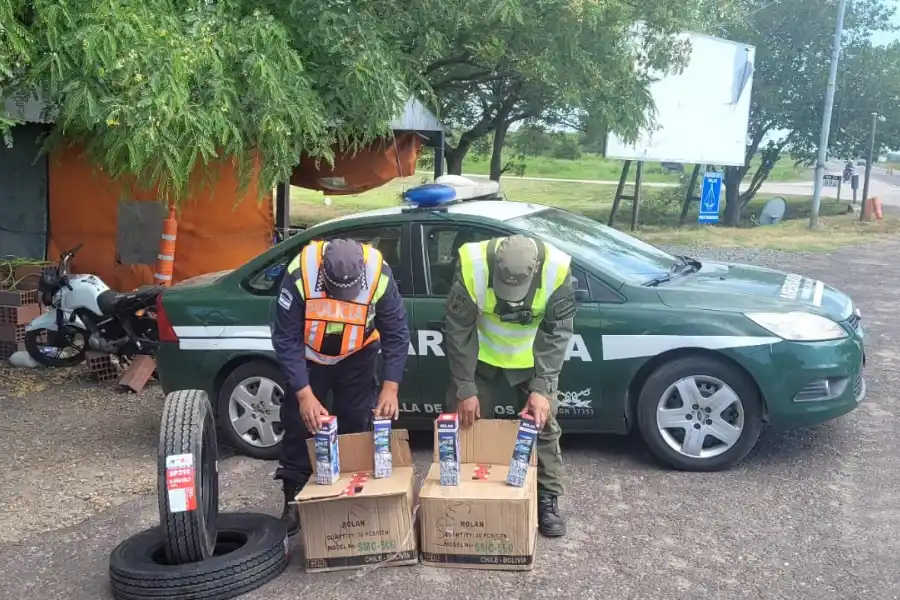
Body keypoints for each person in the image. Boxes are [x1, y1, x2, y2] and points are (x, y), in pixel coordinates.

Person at [272, 238, 410, 535]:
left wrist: (391, 387)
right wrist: (303, 393)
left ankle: (350, 499)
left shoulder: (378, 275)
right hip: (310, 358)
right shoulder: (300, 274)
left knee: (356, 421)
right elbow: (285, 338)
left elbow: (397, 332)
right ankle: (294, 497)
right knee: (300, 423)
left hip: (357, 356)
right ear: (323, 273)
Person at [443, 234, 576, 538]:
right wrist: (465, 386)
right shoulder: (472, 264)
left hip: (531, 358)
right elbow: (458, 328)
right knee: (462, 420)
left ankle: (547, 498)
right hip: (482, 356)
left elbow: (558, 333)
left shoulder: (557, 269)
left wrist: (542, 388)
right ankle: (460, 497)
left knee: (543, 424)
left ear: (536, 268)